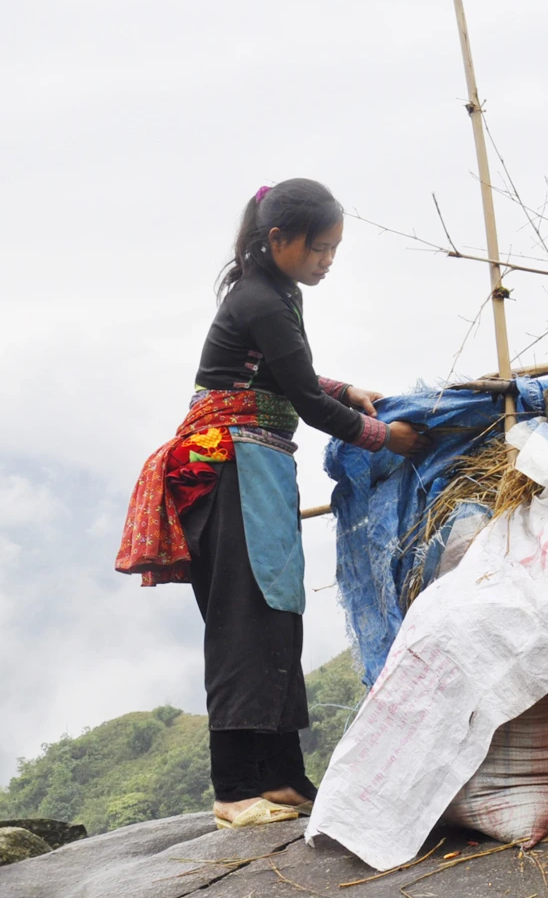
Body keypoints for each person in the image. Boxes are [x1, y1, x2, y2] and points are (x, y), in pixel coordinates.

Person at [117, 179, 429, 829]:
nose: (327, 261)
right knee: (243, 622)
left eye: (335, 250)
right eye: (319, 248)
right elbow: (306, 402)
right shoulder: (260, 298)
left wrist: (347, 389)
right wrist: (385, 437)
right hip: (227, 471)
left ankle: (283, 779)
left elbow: (292, 377)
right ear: (280, 240)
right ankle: (234, 789)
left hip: (258, 468)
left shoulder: (277, 294)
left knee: (277, 618)